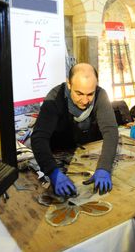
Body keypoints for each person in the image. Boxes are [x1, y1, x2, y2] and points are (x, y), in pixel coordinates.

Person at [31, 63, 118, 196]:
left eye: (90, 94)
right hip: (59, 152)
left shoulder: (100, 95)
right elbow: (39, 138)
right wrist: (52, 172)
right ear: (69, 84)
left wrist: (104, 167)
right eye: (79, 93)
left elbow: (110, 131)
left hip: (87, 152)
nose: (85, 101)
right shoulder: (55, 98)